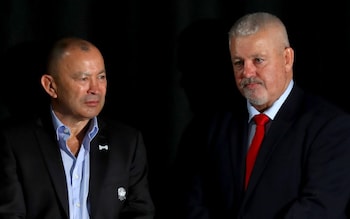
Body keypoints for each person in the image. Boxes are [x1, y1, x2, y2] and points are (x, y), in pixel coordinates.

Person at [176, 12, 350, 218]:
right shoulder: (214, 125)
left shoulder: (330, 126)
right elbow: (193, 202)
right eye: (239, 62)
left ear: (287, 58)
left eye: (258, 60)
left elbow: (319, 208)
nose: (247, 73)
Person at [0, 37, 155, 219]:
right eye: (83, 79)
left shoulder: (127, 142)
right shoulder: (14, 141)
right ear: (51, 86)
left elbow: (139, 213)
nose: (95, 89)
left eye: (101, 77)